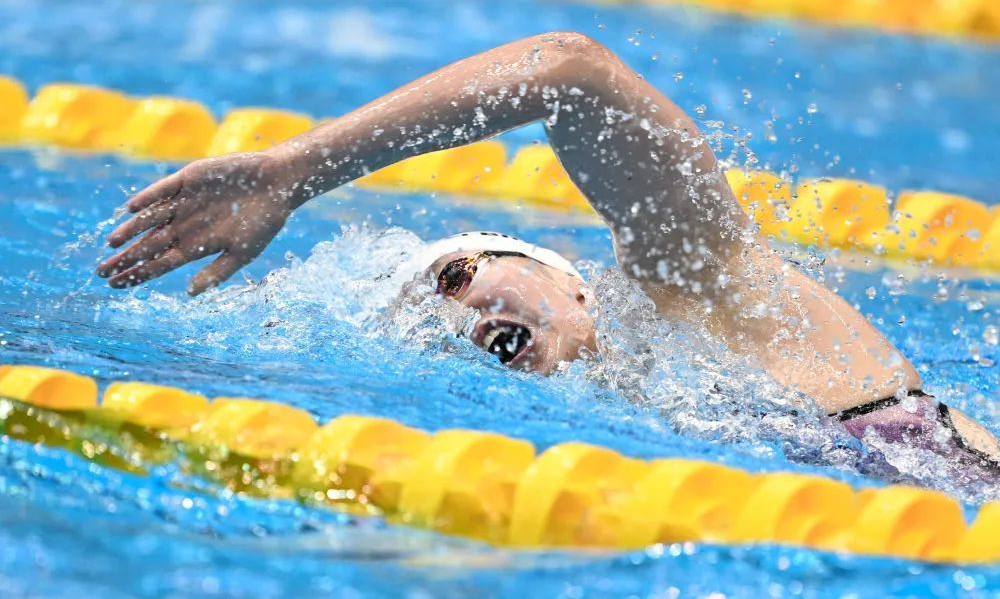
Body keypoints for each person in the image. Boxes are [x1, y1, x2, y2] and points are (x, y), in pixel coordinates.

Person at [96, 32, 998, 473]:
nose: (458, 315)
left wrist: (296, 171)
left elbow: (569, 71)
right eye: (433, 326)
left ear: (566, 279)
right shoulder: (617, 434)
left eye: (455, 277)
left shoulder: (705, 289)